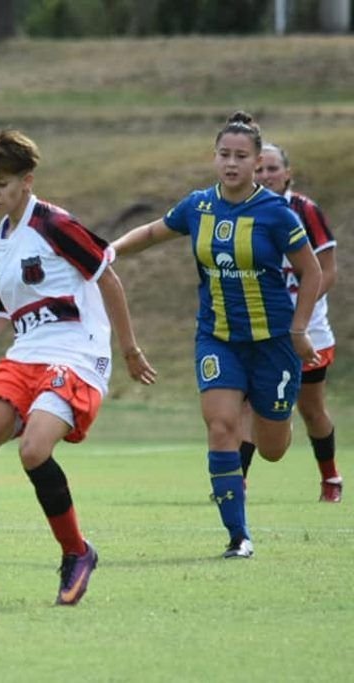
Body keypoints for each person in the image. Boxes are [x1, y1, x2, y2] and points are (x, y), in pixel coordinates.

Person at [0, 129, 156, 605]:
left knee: (34, 450)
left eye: (2, 183)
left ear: (27, 181)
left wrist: (129, 349)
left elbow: (108, 279)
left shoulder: (56, 225)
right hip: (25, 357)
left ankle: (77, 552)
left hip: (77, 355)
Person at [111, 112, 323, 559]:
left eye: (241, 156)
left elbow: (313, 271)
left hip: (273, 342)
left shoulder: (276, 213)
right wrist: (108, 252)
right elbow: (152, 232)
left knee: (273, 449)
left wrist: (300, 329)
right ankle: (238, 536)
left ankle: (268, 415)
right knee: (221, 425)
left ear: (256, 162)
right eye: (224, 154)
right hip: (218, 337)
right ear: (214, 157)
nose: (231, 163)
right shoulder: (198, 206)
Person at [242, 143, 341, 503]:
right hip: (260, 326)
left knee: (311, 408)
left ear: (287, 173)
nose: (266, 175)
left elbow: (327, 271)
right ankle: (236, 482)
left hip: (308, 329)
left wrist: (298, 312)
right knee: (248, 404)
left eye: (273, 169)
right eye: (260, 169)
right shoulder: (243, 210)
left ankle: (330, 478)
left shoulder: (304, 210)